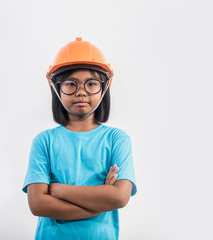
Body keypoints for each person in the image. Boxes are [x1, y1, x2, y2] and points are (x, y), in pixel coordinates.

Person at [22, 37, 137, 240]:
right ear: (55, 88)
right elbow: (38, 204)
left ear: (104, 87)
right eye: (71, 84)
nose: (81, 92)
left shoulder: (116, 140)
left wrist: (57, 189)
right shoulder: (44, 141)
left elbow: (119, 197)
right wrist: (101, 198)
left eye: (91, 83)